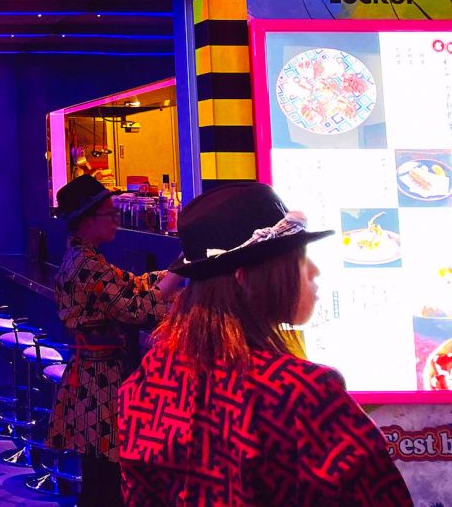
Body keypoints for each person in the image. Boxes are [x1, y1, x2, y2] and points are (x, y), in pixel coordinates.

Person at [118, 182, 412, 505]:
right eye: (298, 258)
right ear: (245, 279)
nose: (314, 271)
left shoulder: (149, 379)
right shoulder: (303, 394)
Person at [45, 175, 184, 506]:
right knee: (105, 479)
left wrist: (172, 272)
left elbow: (130, 284)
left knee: (100, 476)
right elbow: (138, 308)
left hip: (92, 376)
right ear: (88, 220)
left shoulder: (84, 257)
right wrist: (182, 272)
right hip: (99, 383)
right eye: (110, 214)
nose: (116, 220)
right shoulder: (86, 265)